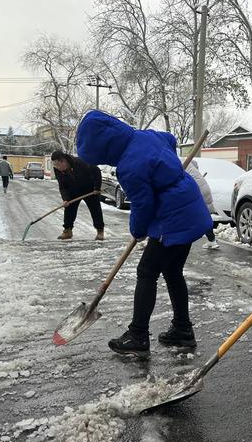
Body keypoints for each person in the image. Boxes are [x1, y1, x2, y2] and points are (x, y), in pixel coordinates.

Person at [76, 110, 213, 359]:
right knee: (172, 272)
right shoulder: (147, 136)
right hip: (190, 209)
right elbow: (170, 138)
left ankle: (138, 335)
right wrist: (164, 165)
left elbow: (143, 204)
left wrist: (138, 231)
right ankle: (183, 330)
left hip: (173, 218)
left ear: (104, 149)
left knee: (146, 271)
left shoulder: (129, 166)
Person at [51, 150, 105, 241]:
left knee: (95, 210)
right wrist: (65, 199)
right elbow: (62, 185)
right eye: (54, 165)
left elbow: (96, 171)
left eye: (57, 165)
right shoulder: (58, 170)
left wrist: (97, 188)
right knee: (69, 209)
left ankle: (100, 231)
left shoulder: (80, 162)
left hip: (90, 189)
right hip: (73, 190)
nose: (56, 167)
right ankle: (67, 231)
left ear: (63, 161)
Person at [185, 160, 219, 249]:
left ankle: (210, 240)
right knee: (204, 216)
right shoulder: (185, 161)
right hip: (204, 187)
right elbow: (195, 163)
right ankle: (212, 240)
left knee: (195, 216)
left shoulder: (175, 163)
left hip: (196, 190)